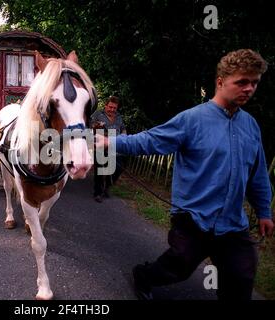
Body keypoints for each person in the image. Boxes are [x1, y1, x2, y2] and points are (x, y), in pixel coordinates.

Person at [96, 49, 274, 300]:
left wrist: (264, 211)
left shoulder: (251, 126)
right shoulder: (192, 120)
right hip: (193, 217)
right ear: (220, 82)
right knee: (178, 267)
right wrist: (110, 143)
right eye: (242, 82)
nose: (249, 88)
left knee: (240, 278)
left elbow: (257, 175)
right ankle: (144, 276)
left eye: (254, 83)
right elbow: (150, 141)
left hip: (233, 224)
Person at [90, 95, 126, 203]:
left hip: (116, 146)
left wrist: (124, 136)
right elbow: (90, 125)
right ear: (106, 106)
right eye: (110, 107)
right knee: (100, 167)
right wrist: (95, 126)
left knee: (119, 168)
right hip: (101, 145)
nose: (112, 110)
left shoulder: (119, 117)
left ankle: (107, 187)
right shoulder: (98, 114)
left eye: (114, 108)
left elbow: (123, 128)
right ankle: (98, 193)